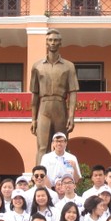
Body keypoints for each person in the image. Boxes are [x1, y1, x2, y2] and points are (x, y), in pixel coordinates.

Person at [30, 29, 79, 164]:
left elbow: (73, 93)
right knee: (42, 147)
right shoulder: (37, 66)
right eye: (50, 40)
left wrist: (71, 116)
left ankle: (63, 179)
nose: (53, 43)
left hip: (60, 107)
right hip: (43, 107)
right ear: (46, 42)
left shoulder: (69, 66)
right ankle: (38, 178)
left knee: (62, 145)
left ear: (60, 43)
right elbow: (34, 95)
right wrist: (33, 119)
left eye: (55, 40)